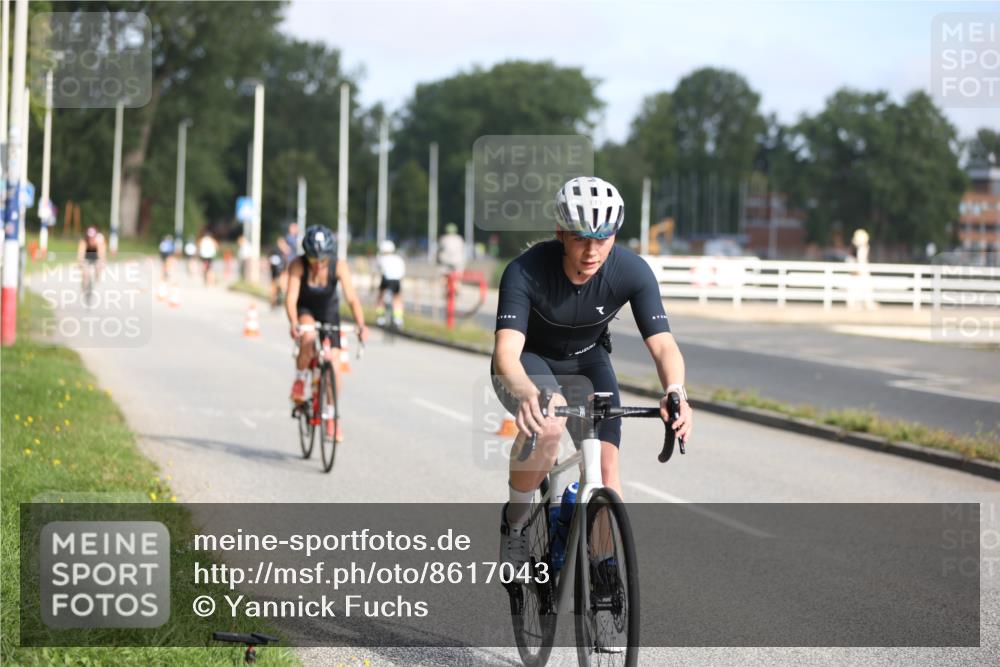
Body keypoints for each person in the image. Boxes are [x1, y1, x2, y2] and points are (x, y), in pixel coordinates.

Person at [491, 176, 694, 572]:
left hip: (588, 361)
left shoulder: (631, 270)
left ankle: (603, 569)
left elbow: (664, 345)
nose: (592, 250)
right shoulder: (525, 271)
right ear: (560, 233)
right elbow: (506, 355)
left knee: (604, 469)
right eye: (582, 238)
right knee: (548, 425)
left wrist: (675, 390)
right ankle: (515, 524)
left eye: (603, 238)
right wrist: (528, 393)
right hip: (531, 362)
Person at [286, 225, 369, 441]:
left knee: (333, 364)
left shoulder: (338, 266)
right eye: (313, 260)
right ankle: (300, 379)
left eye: (322, 261)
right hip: (306, 309)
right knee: (309, 337)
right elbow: (291, 297)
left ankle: (332, 416)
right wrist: (294, 322)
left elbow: (352, 298)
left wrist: (361, 324)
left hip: (329, 312)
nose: (317, 265)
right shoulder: (297, 265)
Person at [374, 240, 406, 328]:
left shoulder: (381, 258)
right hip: (397, 281)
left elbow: (377, 270)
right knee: (397, 299)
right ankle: (398, 319)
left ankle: (380, 318)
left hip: (386, 280)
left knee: (380, 298)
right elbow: (402, 273)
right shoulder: (398, 259)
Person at [77, 225, 107, 290]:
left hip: (96, 258)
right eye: (90, 237)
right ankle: (84, 287)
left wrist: (102, 262)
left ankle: (96, 280)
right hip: (86, 258)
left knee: (98, 267)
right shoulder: (84, 242)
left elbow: (102, 254)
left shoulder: (98, 242)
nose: (91, 239)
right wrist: (80, 262)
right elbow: (80, 253)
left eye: (93, 237)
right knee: (85, 272)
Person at [267, 241, 288, 309]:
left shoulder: (282, 253)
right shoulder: (276, 252)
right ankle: (274, 303)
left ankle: (277, 303)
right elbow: (274, 264)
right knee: (275, 289)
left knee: (279, 289)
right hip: (277, 274)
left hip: (280, 274)